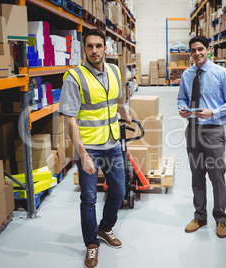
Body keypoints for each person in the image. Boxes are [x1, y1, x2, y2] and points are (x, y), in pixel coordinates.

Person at [59, 28, 131, 268]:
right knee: (88, 198)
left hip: (112, 143)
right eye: (89, 46)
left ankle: (105, 228)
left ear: (105, 47)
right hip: (89, 146)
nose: (94, 51)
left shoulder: (114, 69)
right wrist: (82, 154)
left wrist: (124, 114)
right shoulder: (74, 77)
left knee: (119, 191)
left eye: (98, 46)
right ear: (84, 48)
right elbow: (70, 121)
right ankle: (91, 245)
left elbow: (117, 98)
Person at [177, 35, 226, 238]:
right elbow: (181, 98)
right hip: (193, 129)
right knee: (197, 175)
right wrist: (182, 108)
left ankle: (220, 219)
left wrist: (213, 112)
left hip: (213, 130)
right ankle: (200, 216)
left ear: (208, 50)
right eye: (193, 50)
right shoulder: (187, 74)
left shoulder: (222, 74)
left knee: (216, 176)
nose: (197, 53)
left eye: (200, 49)